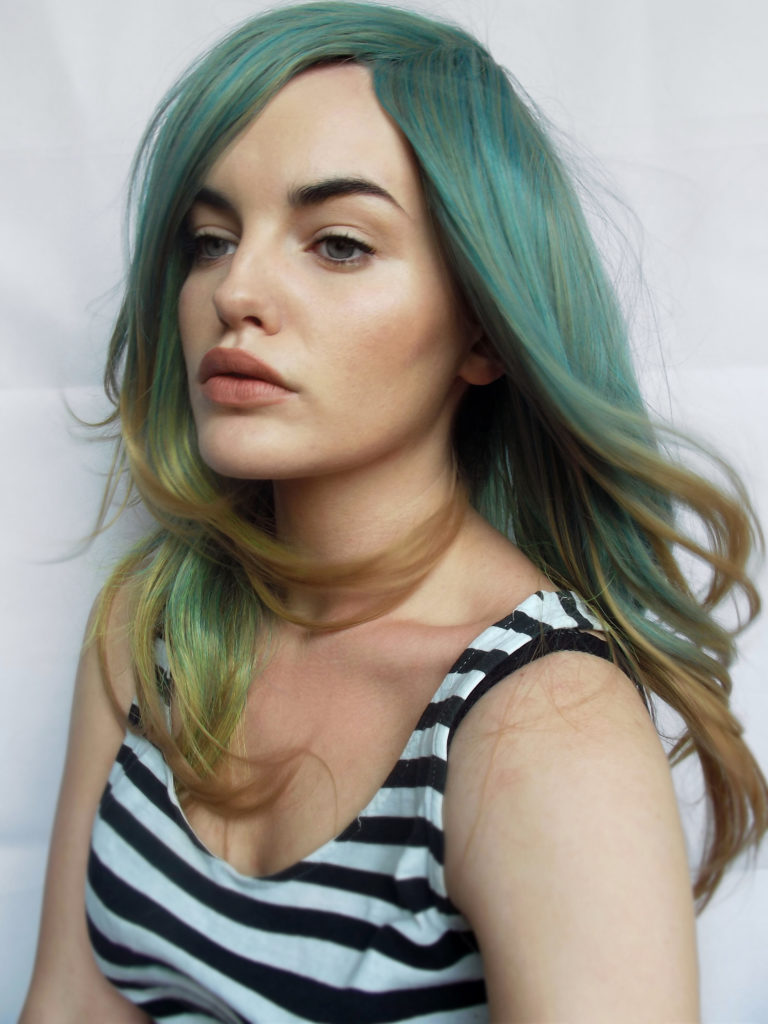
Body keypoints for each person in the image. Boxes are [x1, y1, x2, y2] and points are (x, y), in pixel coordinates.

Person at [20, 2, 766, 1021]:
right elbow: (69, 1003)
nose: (236, 290)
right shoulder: (152, 622)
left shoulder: (540, 722)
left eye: (336, 244)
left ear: (483, 330)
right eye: (210, 239)